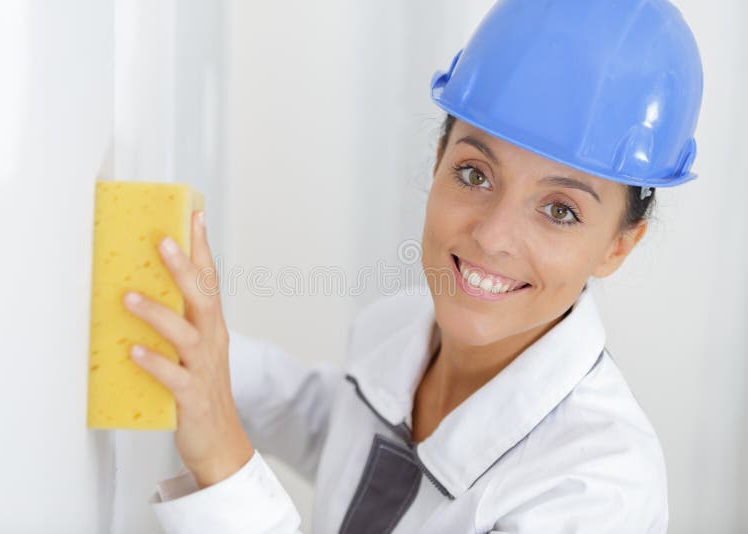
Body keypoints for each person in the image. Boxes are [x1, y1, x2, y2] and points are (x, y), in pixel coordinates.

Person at [125, 0, 703, 532]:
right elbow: (335, 426)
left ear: (618, 247)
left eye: (560, 210)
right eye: (475, 173)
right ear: (438, 161)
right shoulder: (403, 324)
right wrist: (191, 350)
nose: (493, 236)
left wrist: (224, 463)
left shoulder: (599, 489)